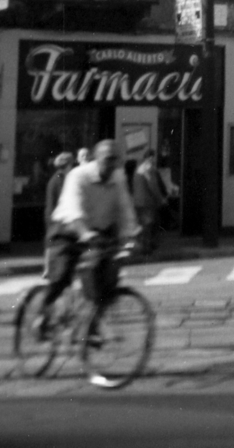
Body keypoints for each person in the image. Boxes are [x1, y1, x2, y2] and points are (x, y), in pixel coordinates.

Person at [38, 139, 138, 336]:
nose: (112, 164)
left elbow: (125, 209)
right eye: (108, 159)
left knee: (106, 279)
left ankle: (91, 326)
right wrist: (85, 233)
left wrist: (132, 235)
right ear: (96, 158)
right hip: (67, 229)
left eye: (116, 160)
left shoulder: (118, 178)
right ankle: (42, 314)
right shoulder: (78, 175)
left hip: (97, 233)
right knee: (61, 276)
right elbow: (73, 210)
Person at [131, 147, 166, 257]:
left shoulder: (139, 168)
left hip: (138, 202)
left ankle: (143, 247)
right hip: (147, 202)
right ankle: (146, 248)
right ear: (151, 157)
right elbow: (153, 186)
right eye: (153, 157)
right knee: (149, 225)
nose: (153, 160)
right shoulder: (149, 169)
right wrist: (161, 199)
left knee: (143, 225)